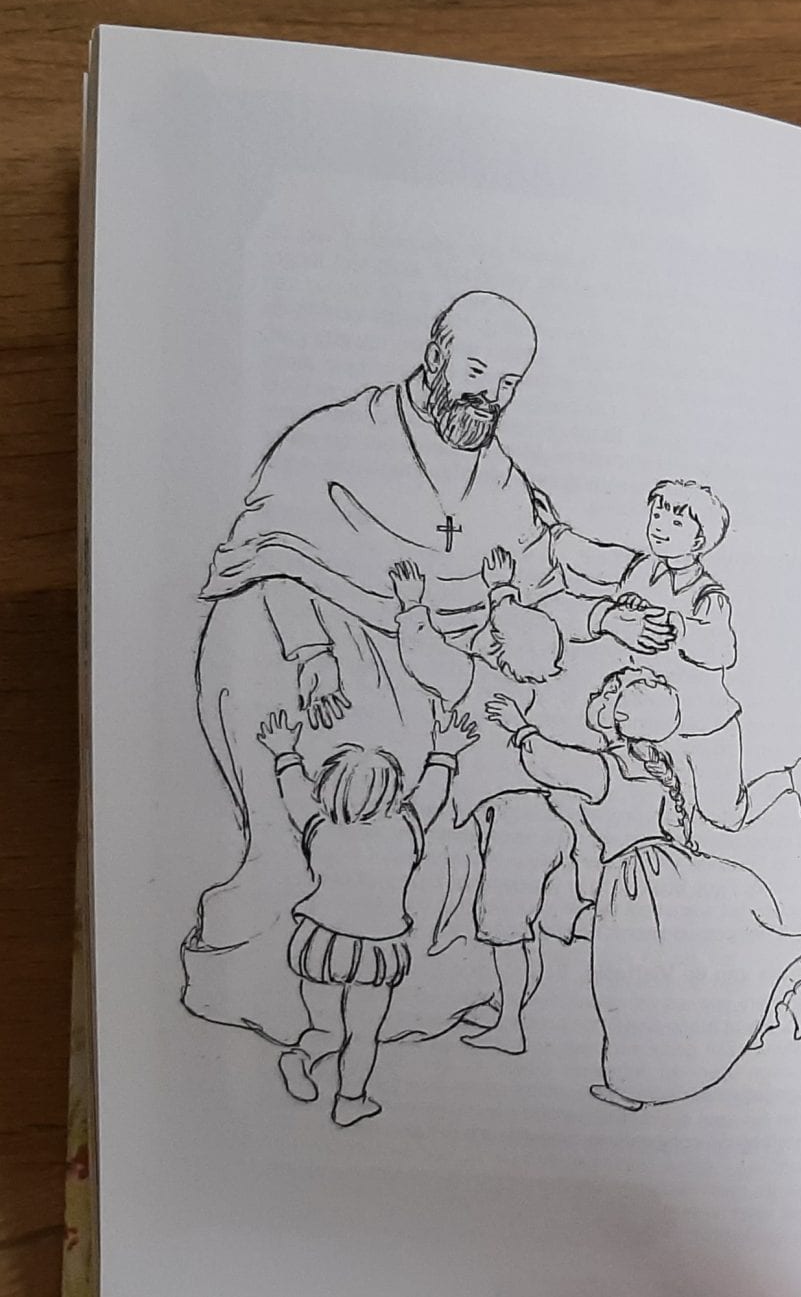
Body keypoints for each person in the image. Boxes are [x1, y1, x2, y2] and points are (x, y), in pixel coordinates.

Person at [185, 290, 645, 1048]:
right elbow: (268, 558)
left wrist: (606, 616)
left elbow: (537, 579)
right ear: (436, 356)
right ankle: (279, 896)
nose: (489, 397)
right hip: (320, 655)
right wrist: (311, 654)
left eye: (507, 384)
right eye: (477, 372)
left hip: (428, 676)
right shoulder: (334, 437)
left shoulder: (501, 479)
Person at [485, 666, 801, 1109]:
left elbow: (548, 763)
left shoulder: (606, 769)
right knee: (670, 973)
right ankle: (767, 999)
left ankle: (634, 1083)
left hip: (631, 886)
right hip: (671, 869)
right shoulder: (659, 769)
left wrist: (519, 727)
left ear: (619, 717)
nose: (595, 694)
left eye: (608, 691)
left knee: (624, 984)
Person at [255, 707, 479, 1126]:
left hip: (319, 941)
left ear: (328, 789)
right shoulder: (406, 829)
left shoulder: (318, 827)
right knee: (362, 1032)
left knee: (326, 1028)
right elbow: (433, 792)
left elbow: (294, 794)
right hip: (376, 947)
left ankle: (300, 1056)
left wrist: (285, 752)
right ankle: (350, 1101)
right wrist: (445, 750)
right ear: (393, 793)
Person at [390, 551, 576, 1055]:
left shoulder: (476, 678)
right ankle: (507, 1005)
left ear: (495, 647)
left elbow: (425, 657)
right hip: (540, 820)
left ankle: (510, 1026)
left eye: (492, 632)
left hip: (515, 827)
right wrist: (501, 590)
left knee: (504, 930)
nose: (484, 633)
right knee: (518, 929)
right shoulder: (532, 692)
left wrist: (412, 605)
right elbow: (518, 629)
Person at [550, 479, 801, 832]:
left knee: (725, 815)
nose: (660, 527)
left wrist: (680, 626)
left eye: (676, 523)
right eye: (657, 516)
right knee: (662, 800)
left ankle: (791, 779)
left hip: (706, 725)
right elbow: (592, 558)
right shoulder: (638, 569)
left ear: (699, 541)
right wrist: (554, 536)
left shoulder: (708, 596)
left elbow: (723, 649)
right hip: (653, 721)